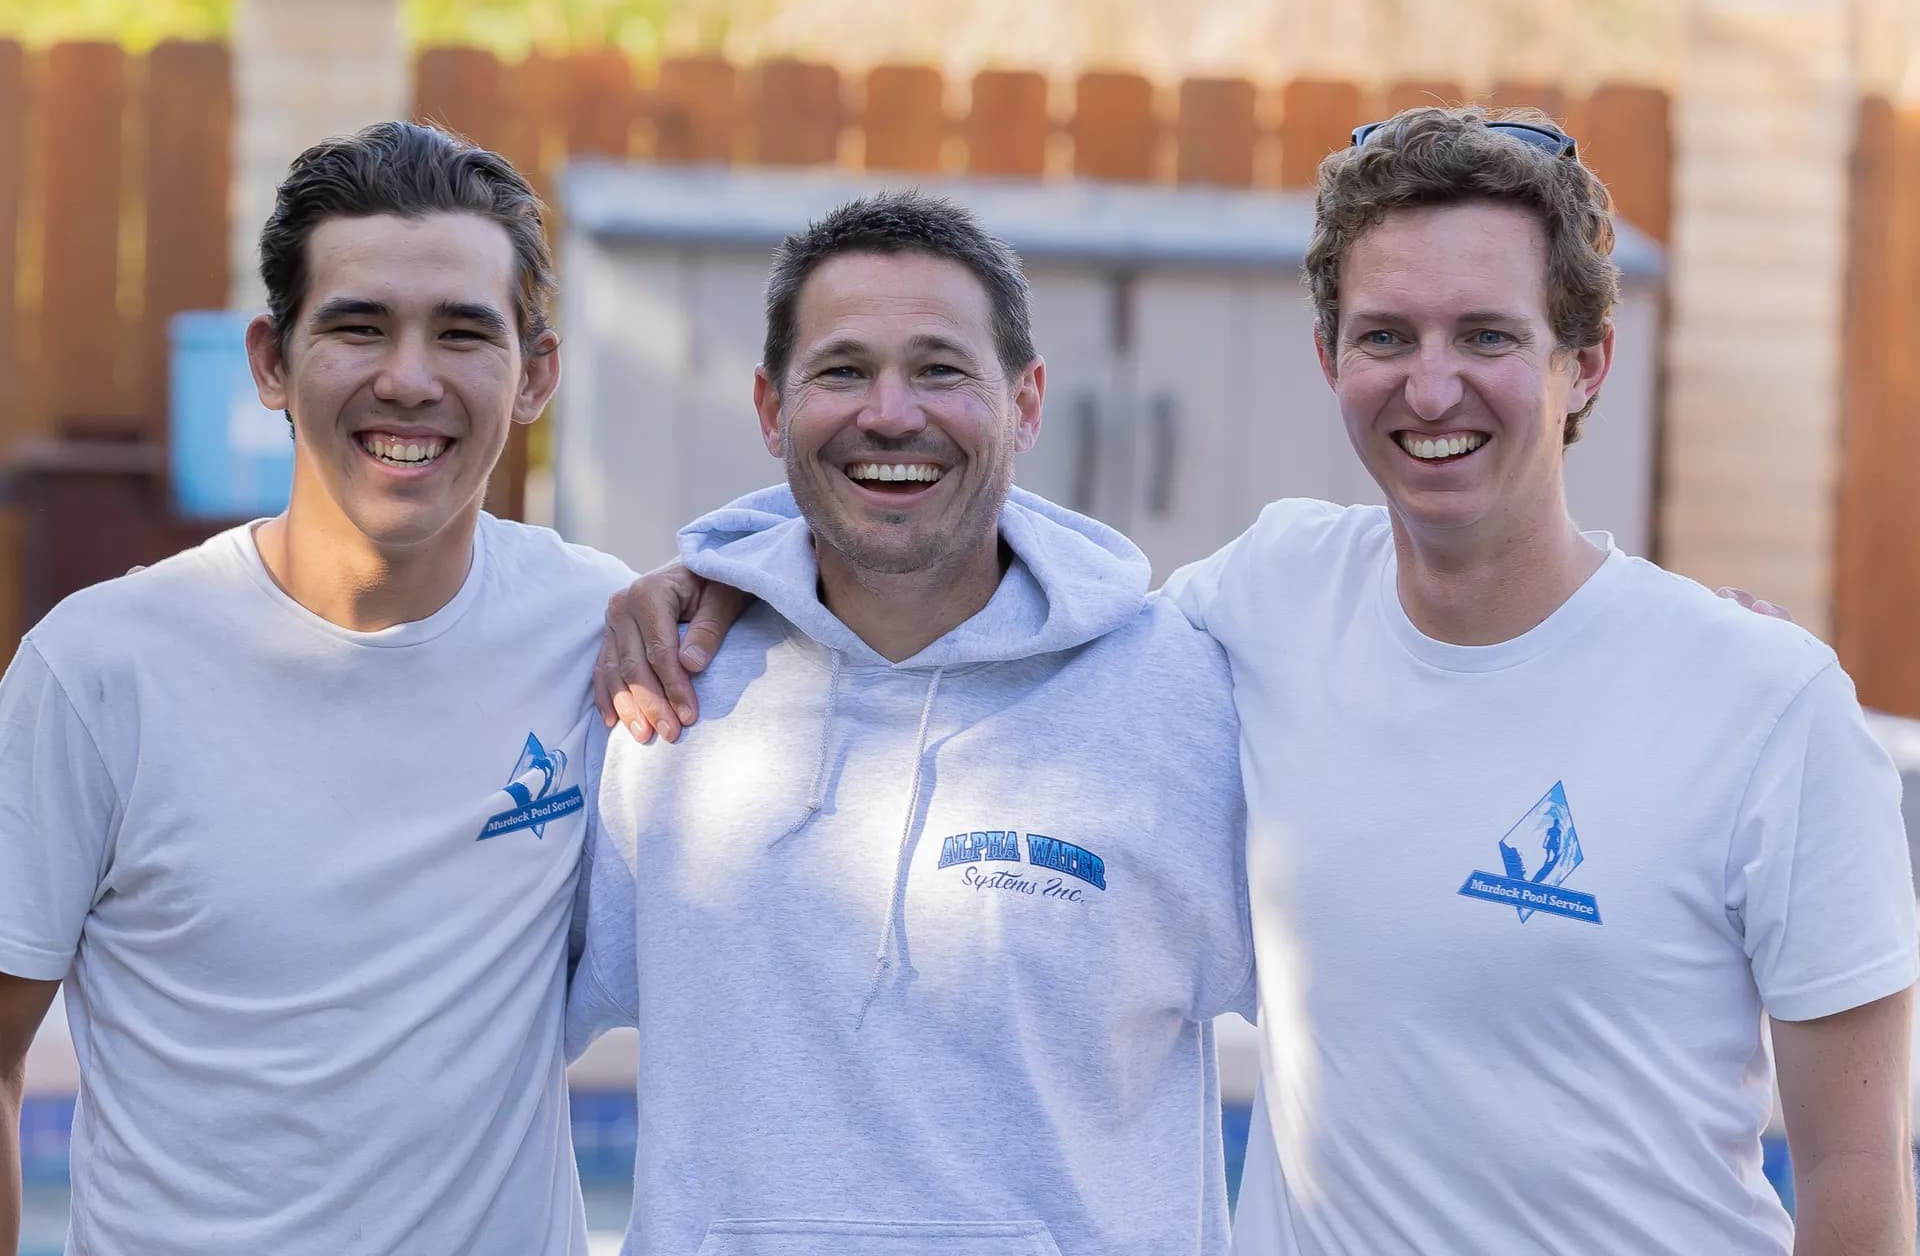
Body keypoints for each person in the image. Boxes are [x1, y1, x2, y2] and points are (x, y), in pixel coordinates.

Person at [597, 108, 1918, 1254]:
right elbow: (1003, 600)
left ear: (1588, 363)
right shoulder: (1267, 600)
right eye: (1387, 334)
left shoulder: (1763, 704)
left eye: (1489, 336)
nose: (1433, 384)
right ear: (1331, 356)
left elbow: (1858, 1182)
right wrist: (737, 571)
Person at [565, 192, 1255, 1254]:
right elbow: (486, 1025)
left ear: (1026, 403)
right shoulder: (659, 691)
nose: (891, 413)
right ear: (769, 407)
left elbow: (1369, 1039)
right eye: (842, 370)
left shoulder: (1186, 697)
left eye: (940, 369)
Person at [0, 122, 633, 1254]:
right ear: (271, 361)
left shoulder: (602, 629)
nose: (408, 376)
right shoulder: (99, 669)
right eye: (357, 325)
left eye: (461, 332)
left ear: (534, 374)